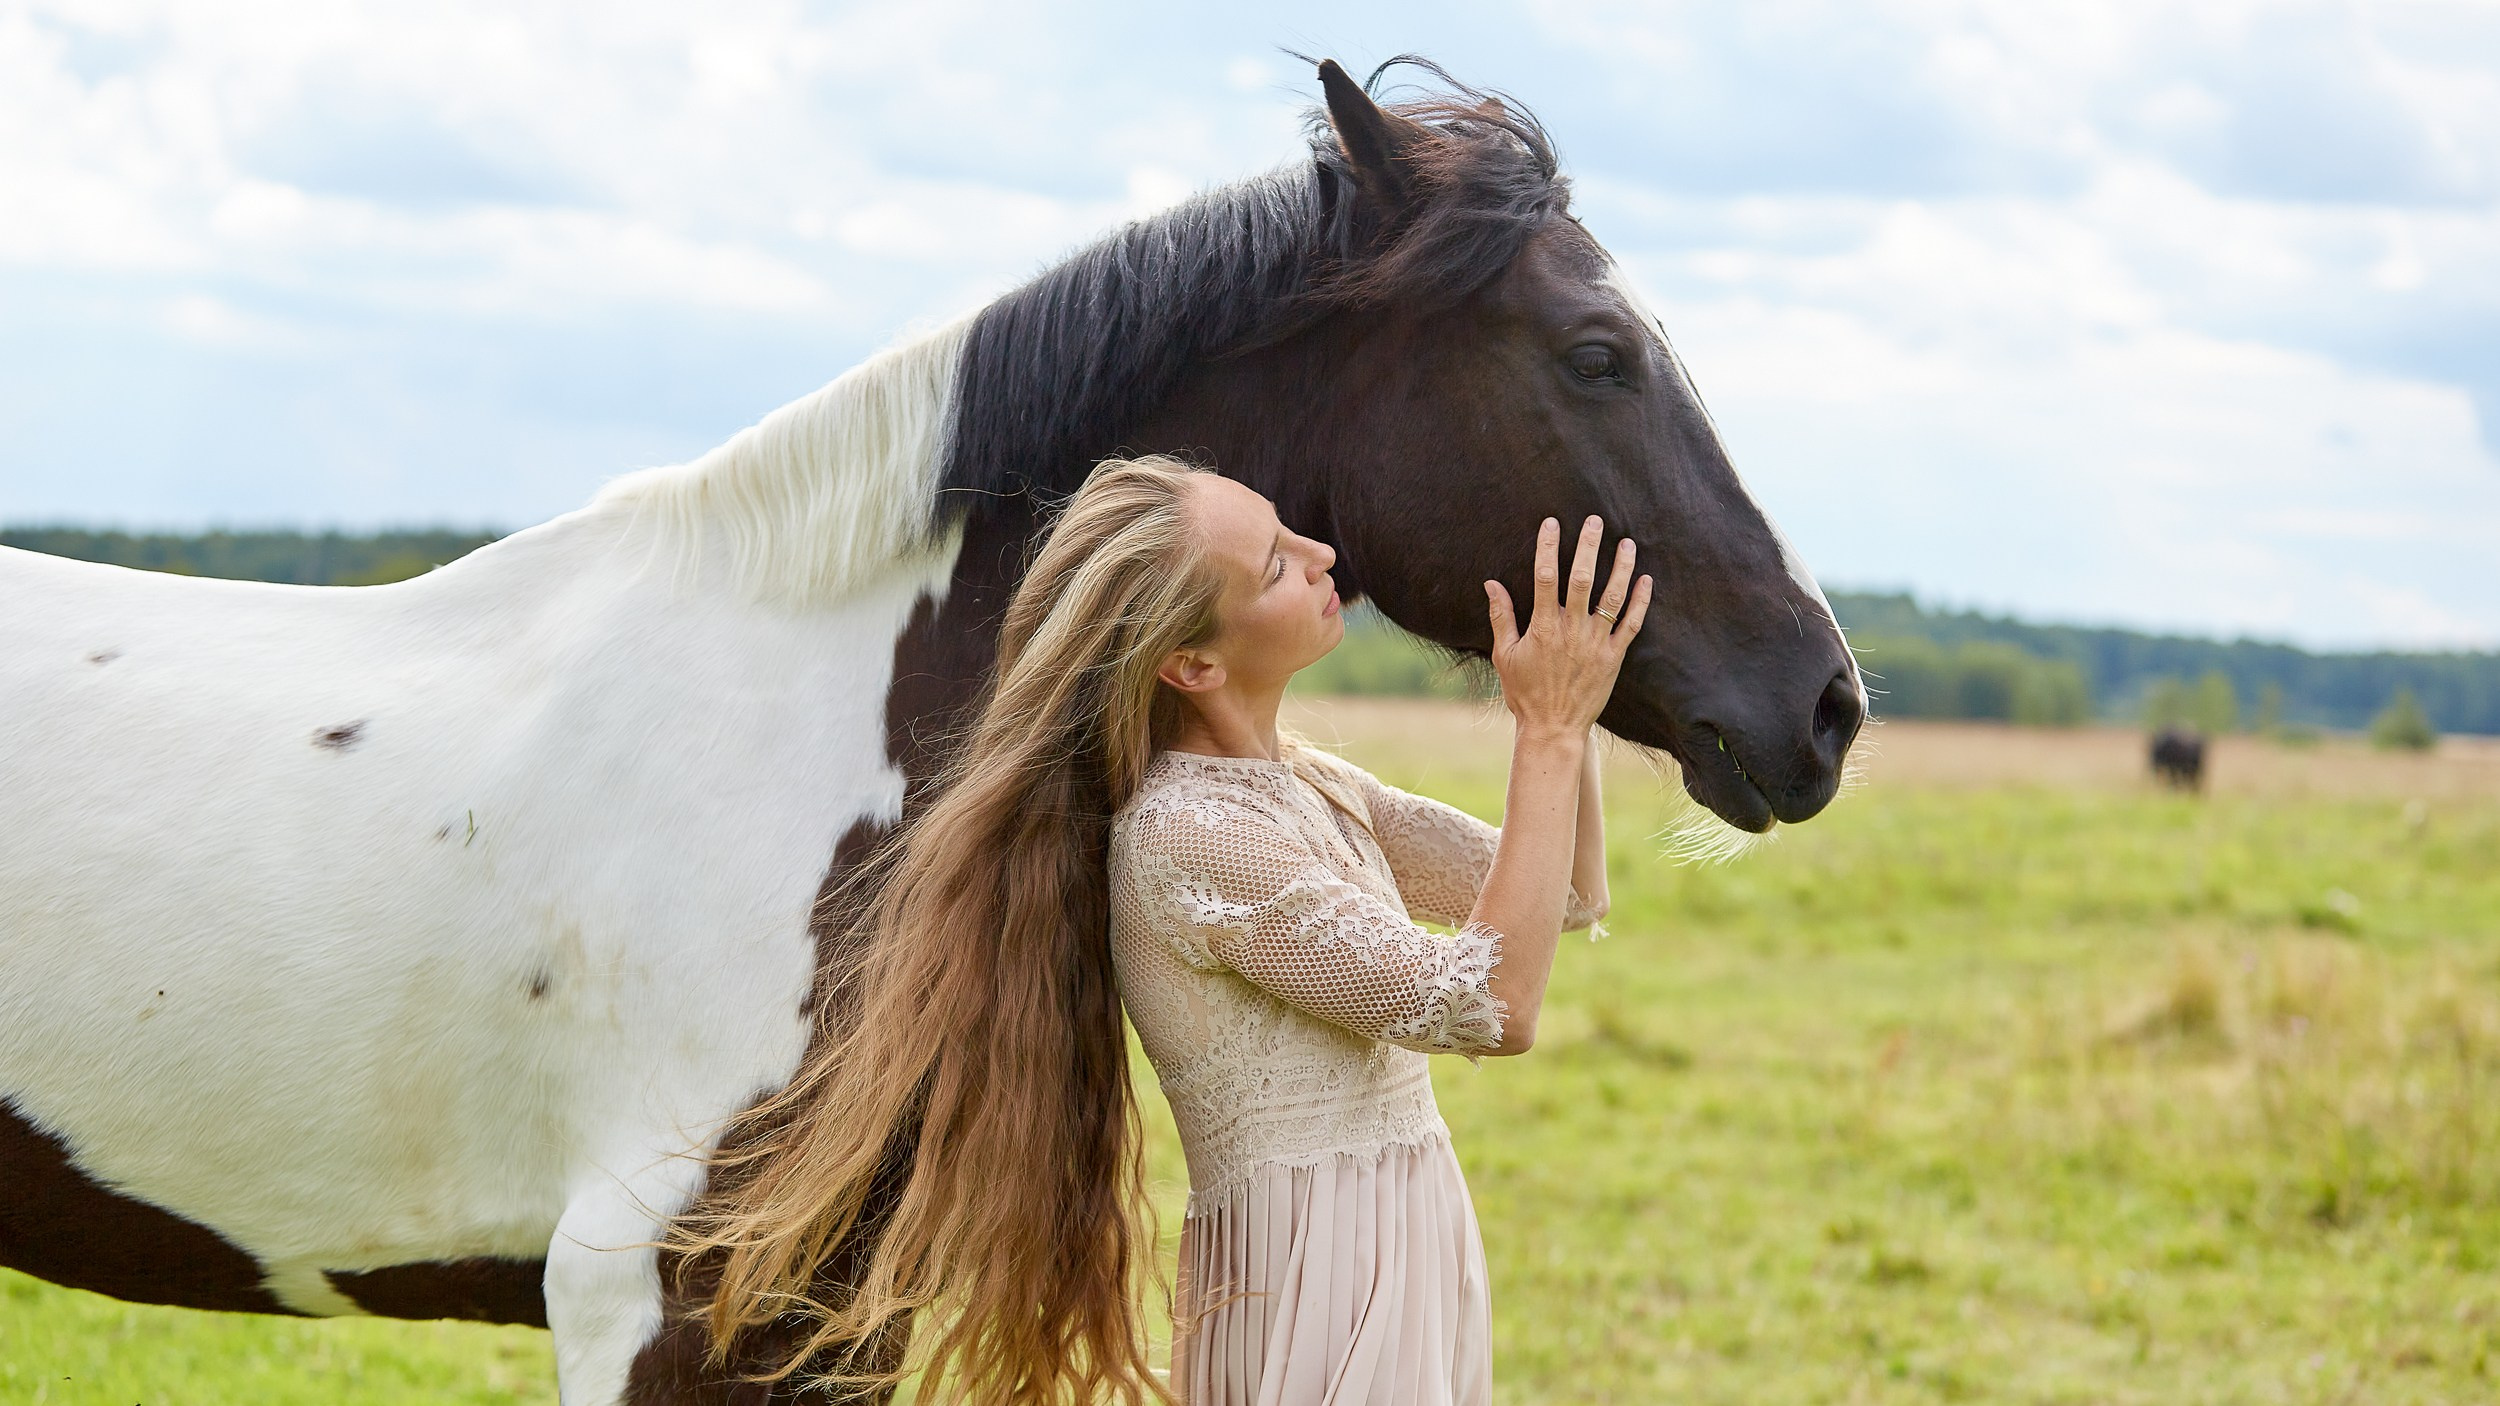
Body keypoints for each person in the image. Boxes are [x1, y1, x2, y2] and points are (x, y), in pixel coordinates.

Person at [675, 455, 1649, 1406]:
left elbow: (1562, 887)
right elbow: (1488, 1003)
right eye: (1275, 562)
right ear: (1192, 662)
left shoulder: (1306, 782)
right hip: (1315, 1273)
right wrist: (1549, 727)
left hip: (1405, 1237)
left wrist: (1574, 687)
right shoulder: (1189, 836)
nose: (1320, 555)